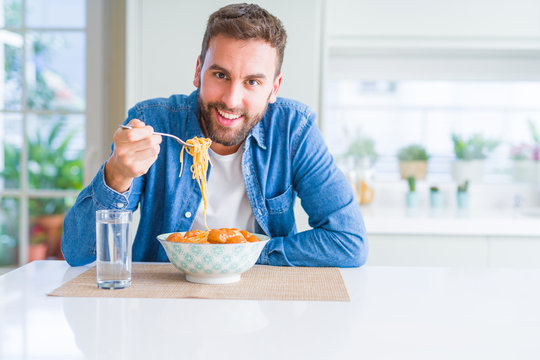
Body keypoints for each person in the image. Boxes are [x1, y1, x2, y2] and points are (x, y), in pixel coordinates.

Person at [62, 3, 368, 267]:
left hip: (263, 301)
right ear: (198, 71)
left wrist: (242, 254)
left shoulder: (293, 130)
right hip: (161, 304)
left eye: (252, 82)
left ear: (274, 88)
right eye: (220, 75)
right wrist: (116, 175)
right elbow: (77, 253)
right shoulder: (151, 121)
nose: (232, 100)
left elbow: (348, 241)